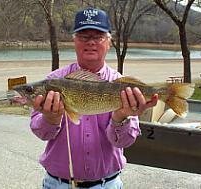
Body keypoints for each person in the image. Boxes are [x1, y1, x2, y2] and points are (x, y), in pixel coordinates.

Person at [30, 7, 158, 189]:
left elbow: (125, 142)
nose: (90, 42)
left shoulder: (121, 84)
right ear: (74, 41)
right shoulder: (53, 81)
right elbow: (41, 133)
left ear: (109, 41)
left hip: (108, 184)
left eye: (98, 36)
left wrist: (121, 117)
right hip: (57, 184)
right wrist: (50, 119)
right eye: (83, 36)